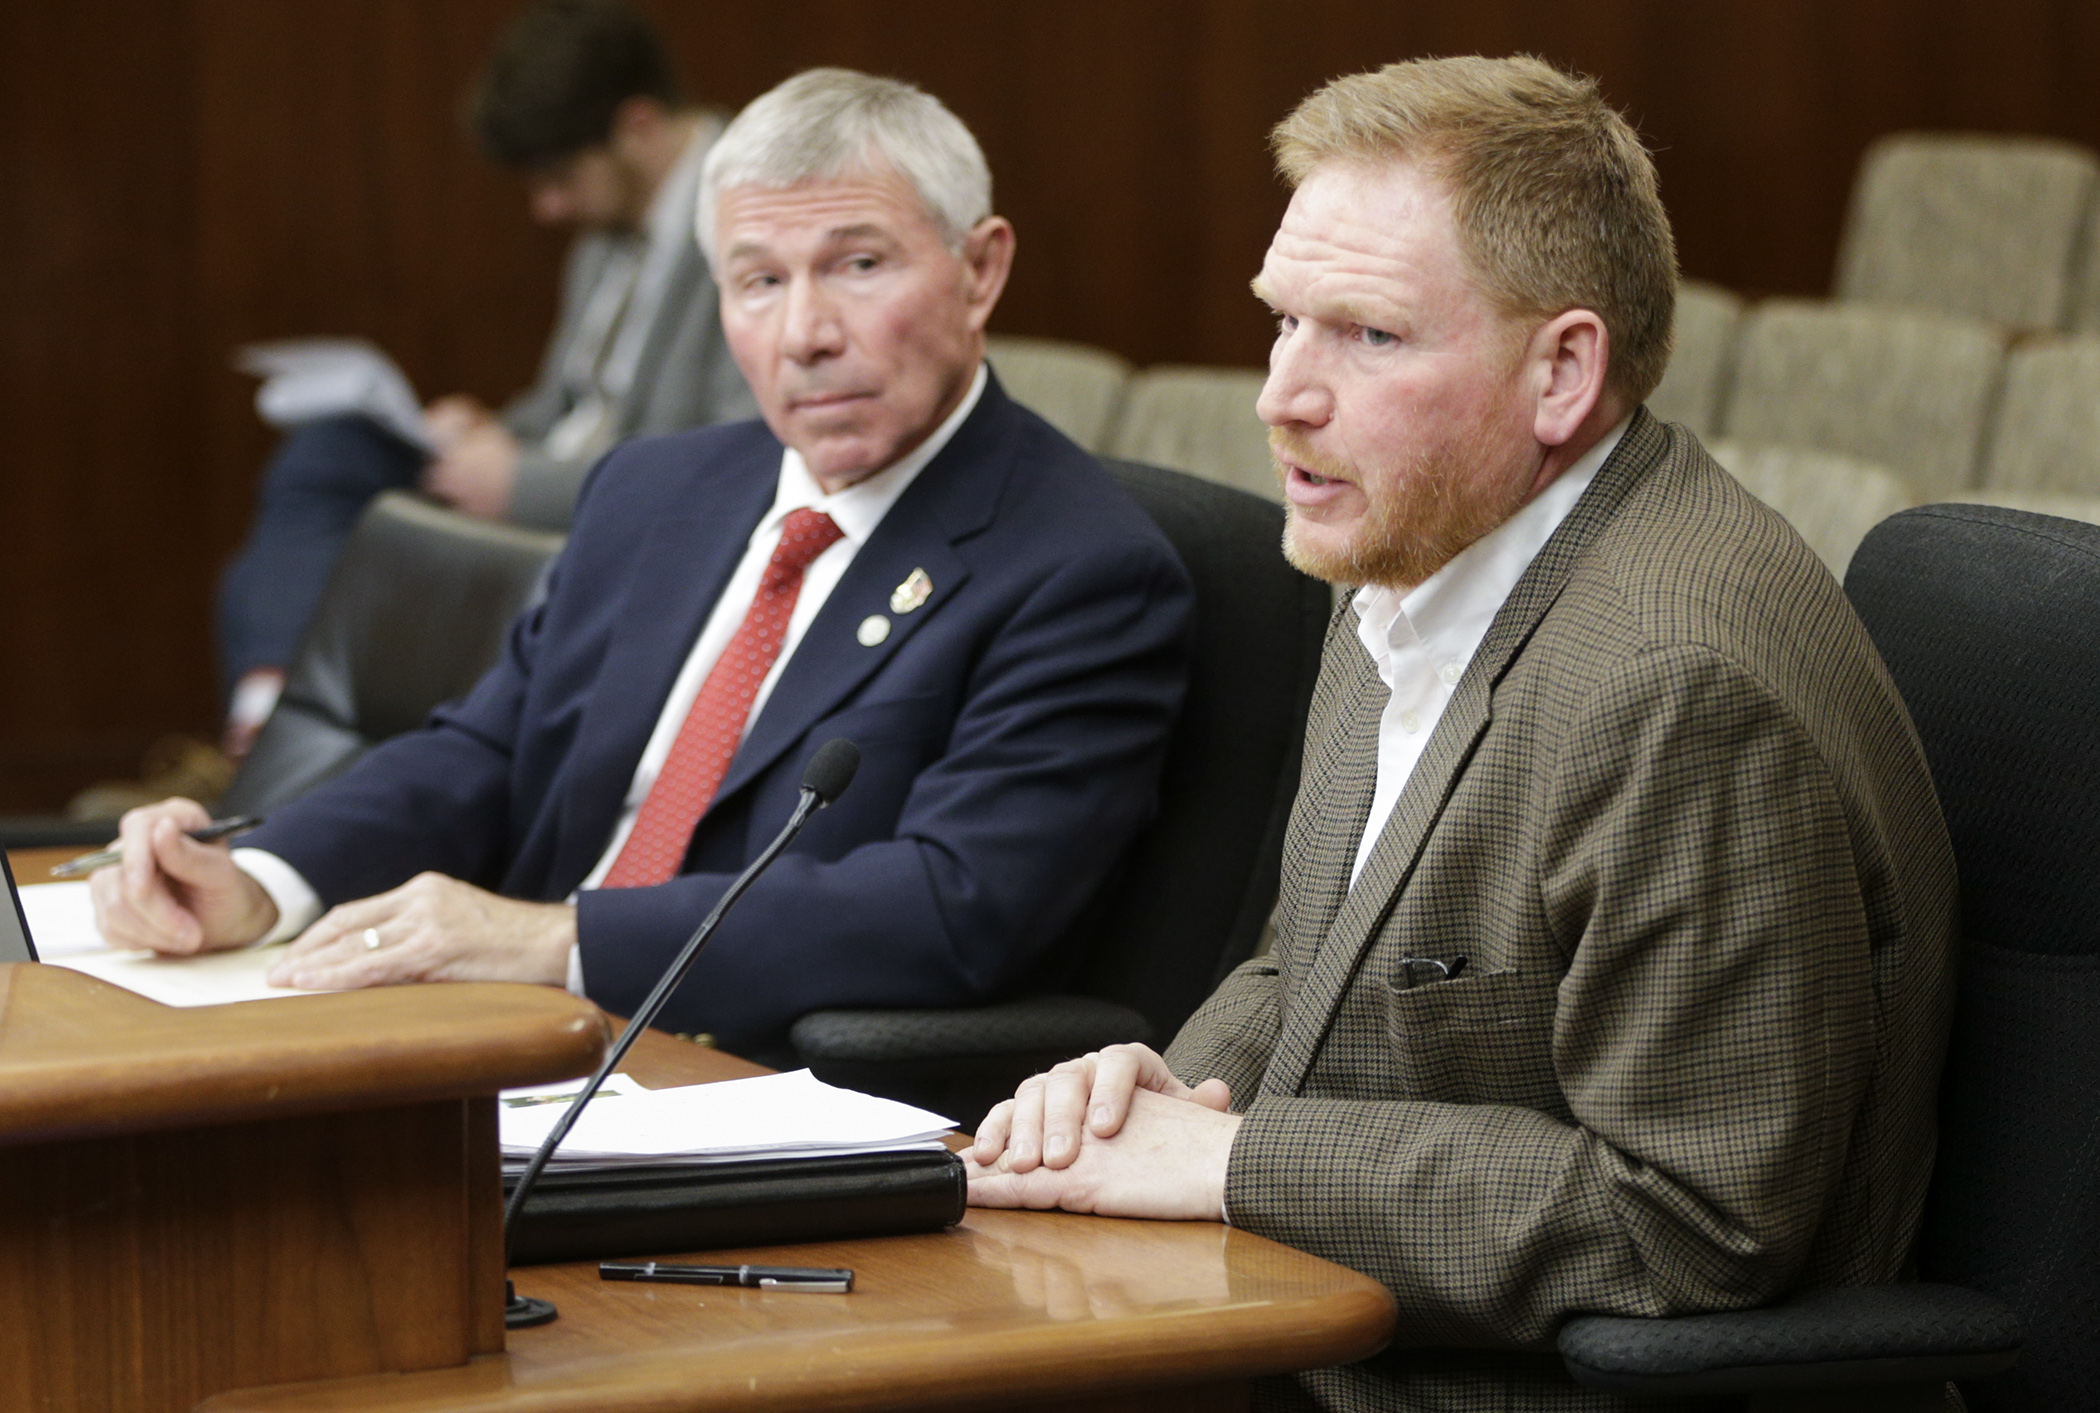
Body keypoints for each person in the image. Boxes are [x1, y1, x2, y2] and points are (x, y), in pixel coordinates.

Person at [966, 56, 1958, 1412]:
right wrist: (1163, 1103)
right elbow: (1309, 958)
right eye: (1282, 323)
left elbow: (1692, 1220)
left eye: (1366, 336)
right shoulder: (1414, 539)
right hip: (1309, 1331)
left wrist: (1230, 1163)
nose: (1282, 396)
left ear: (1562, 372)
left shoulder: (1675, 693)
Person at [92, 68, 1195, 1063]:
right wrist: (260, 879)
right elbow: (492, 748)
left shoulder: (1082, 567)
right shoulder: (658, 490)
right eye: (757, 282)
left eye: (857, 265)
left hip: (747, 1076)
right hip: (504, 1038)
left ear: (980, 269)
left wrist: (559, 942)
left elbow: (957, 904)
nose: (804, 333)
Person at [215, 0, 756, 756]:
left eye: (561, 176)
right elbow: (568, 400)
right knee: (330, 453)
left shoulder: (751, 216)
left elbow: (734, 457)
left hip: (614, 514)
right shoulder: (611, 223)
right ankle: (266, 710)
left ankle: (282, 752)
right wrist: (491, 429)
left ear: (637, 126)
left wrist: (522, 482)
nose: (547, 206)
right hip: (545, 472)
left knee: (338, 575)